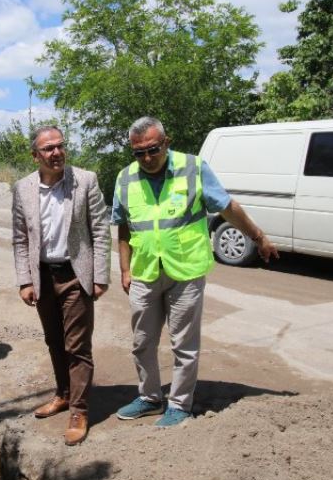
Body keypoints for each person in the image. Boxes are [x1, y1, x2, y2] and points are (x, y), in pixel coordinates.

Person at [112, 116, 278, 428]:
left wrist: (258, 237)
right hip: (144, 271)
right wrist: (124, 268)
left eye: (153, 149)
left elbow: (228, 207)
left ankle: (179, 405)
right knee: (142, 341)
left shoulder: (194, 168)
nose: (147, 158)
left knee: (183, 344)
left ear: (167, 142)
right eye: (139, 153)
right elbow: (122, 226)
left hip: (185, 271)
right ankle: (149, 398)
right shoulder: (125, 178)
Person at [11, 125, 111, 446]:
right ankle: (64, 394)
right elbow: (20, 238)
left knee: (77, 347)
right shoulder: (23, 188)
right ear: (35, 155)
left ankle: (80, 410)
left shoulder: (85, 180)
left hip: (75, 274)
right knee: (54, 340)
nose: (56, 153)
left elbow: (100, 230)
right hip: (42, 275)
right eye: (48, 149)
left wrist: (99, 276)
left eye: (59, 146)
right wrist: (25, 280)